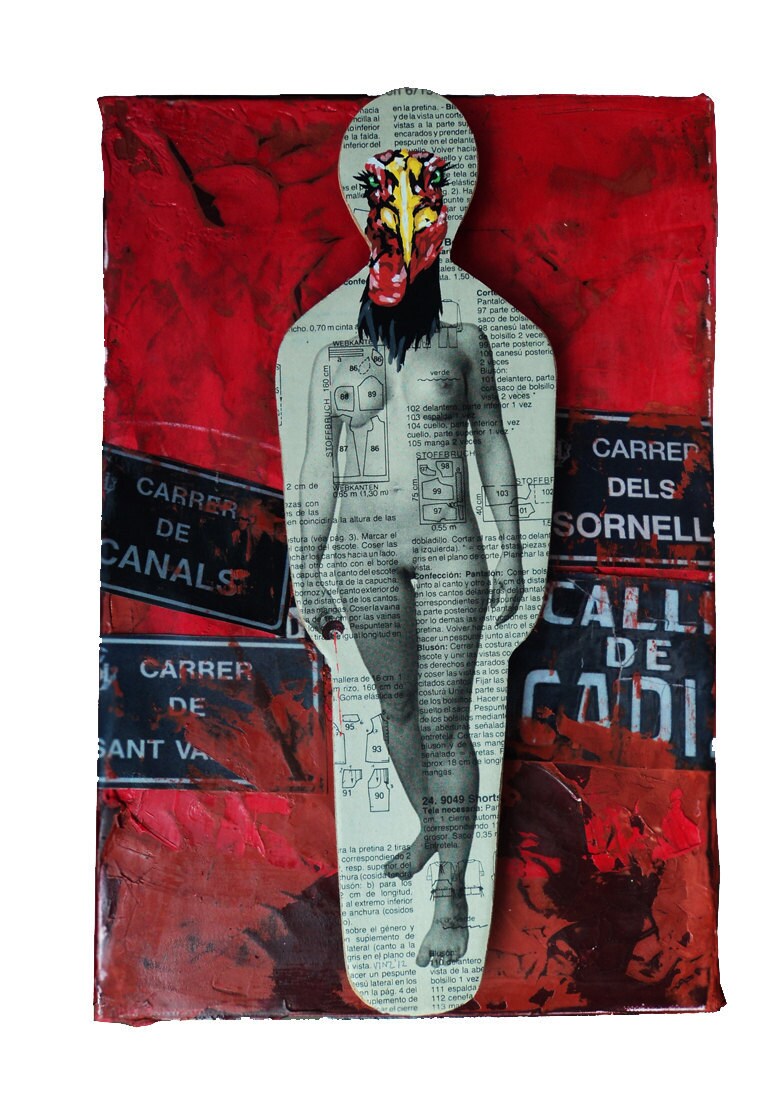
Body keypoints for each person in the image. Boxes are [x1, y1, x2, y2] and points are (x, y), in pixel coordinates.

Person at [292, 143, 524, 967]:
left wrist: (513, 549)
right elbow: (318, 468)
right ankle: (433, 826)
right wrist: (305, 564)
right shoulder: (336, 357)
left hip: (447, 542)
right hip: (360, 549)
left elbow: (492, 441)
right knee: (394, 708)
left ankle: (451, 891)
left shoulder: (464, 341)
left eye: (415, 219)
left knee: (444, 717)